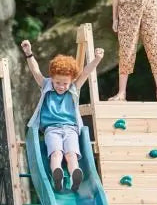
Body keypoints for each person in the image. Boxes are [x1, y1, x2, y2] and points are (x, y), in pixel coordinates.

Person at [20, 39, 104, 192]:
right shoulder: (46, 85)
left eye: (65, 83)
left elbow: (86, 72)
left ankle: (74, 176)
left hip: (71, 129)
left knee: (71, 155)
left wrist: (97, 59)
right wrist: (28, 54)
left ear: (71, 81)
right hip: (52, 129)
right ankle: (56, 174)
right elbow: (35, 71)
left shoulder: (73, 88)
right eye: (58, 82)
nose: (61, 86)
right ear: (52, 77)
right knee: (56, 153)